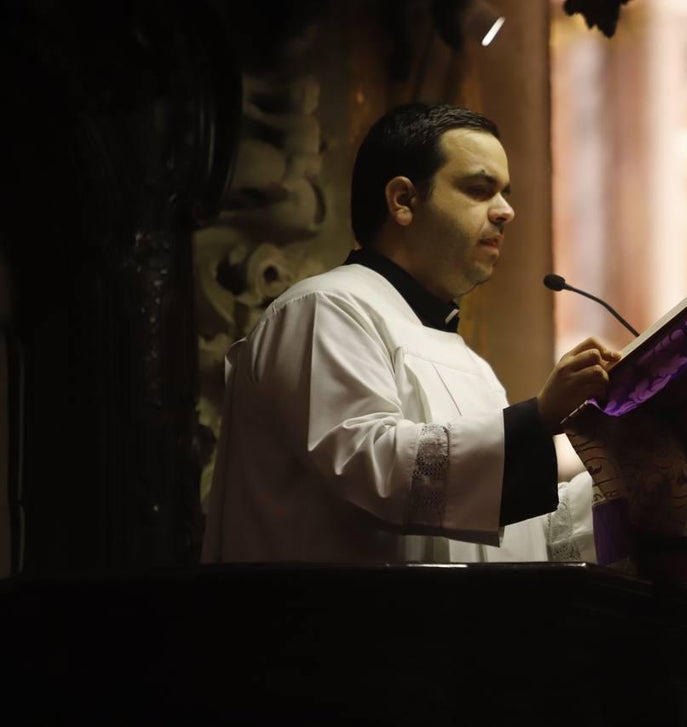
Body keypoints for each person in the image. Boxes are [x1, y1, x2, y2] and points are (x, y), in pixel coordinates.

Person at [201, 102, 619, 564]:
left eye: (505, 193)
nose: (507, 211)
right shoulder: (325, 309)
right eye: (480, 190)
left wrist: (629, 484)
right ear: (403, 201)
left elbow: (522, 539)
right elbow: (375, 471)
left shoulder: (470, 364)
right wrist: (537, 418)